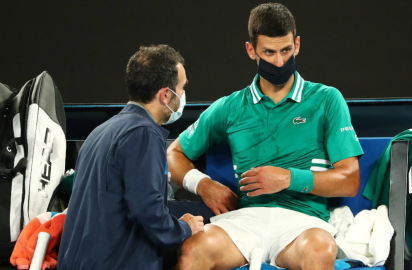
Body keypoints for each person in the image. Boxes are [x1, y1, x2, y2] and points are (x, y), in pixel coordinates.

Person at [167, 3, 364, 270]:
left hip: (303, 223)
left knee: (320, 251)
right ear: (251, 50)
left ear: (297, 44)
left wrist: (287, 178)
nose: (280, 62)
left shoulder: (327, 99)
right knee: (193, 250)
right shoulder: (230, 107)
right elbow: (174, 154)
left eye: (286, 50)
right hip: (246, 220)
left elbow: (350, 179)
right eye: (269, 53)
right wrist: (203, 185)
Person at [58, 45, 204, 270]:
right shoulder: (144, 134)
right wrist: (185, 228)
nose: (183, 95)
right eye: (182, 89)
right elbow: (148, 211)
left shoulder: (100, 132)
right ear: (165, 95)